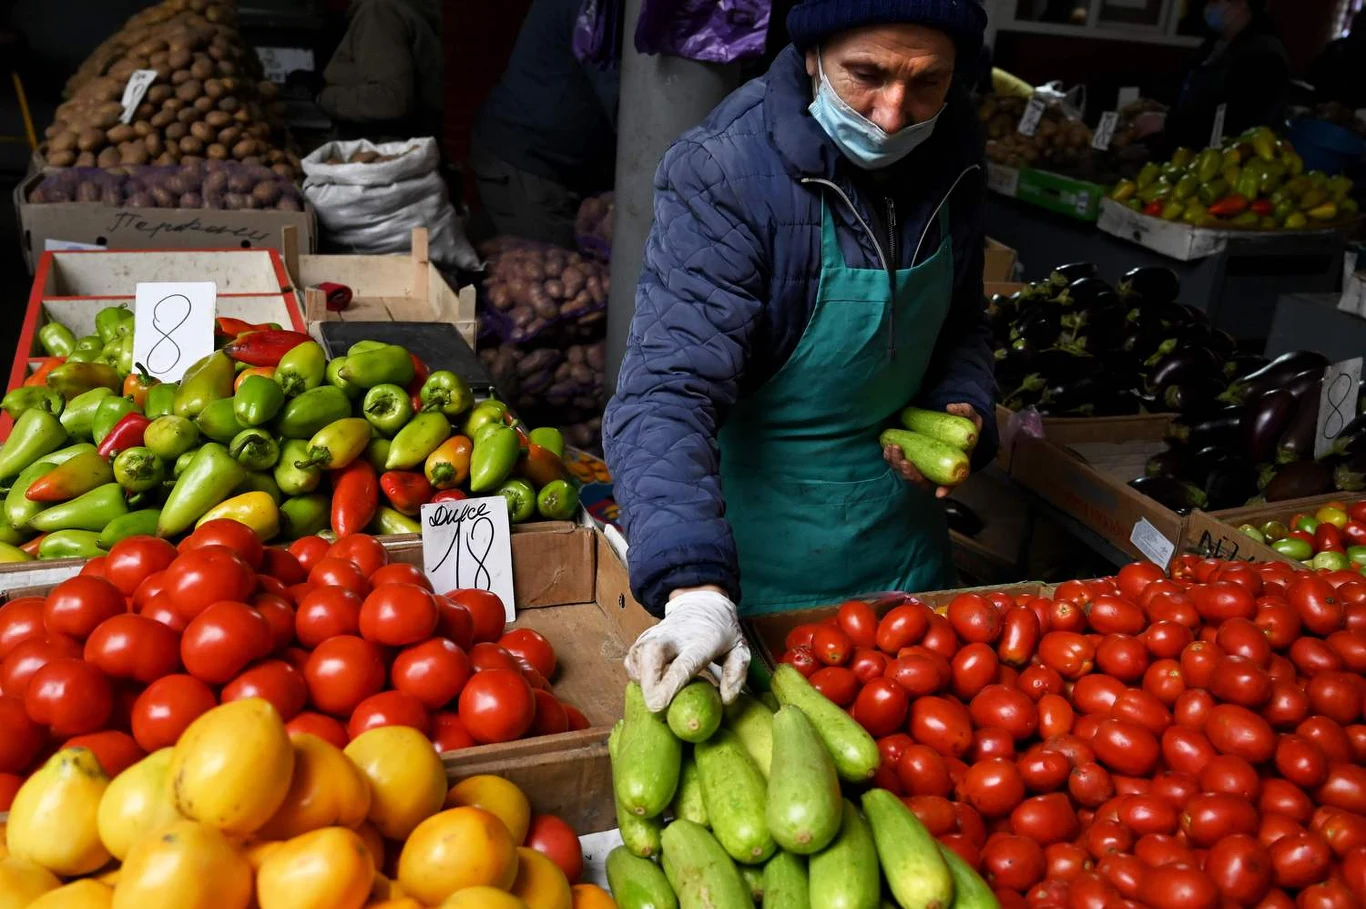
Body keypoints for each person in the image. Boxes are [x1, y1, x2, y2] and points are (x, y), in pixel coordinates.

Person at [603, 0, 998, 711]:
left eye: (927, 82)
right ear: (813, 52)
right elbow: (665, 393)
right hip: (754, 571)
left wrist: (963, 404)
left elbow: (962, 319)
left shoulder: (955, 146)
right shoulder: (724, 169)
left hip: (906, 561)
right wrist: (694, 588)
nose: (891, 113)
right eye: (865, 75)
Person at [469, 0, 620, 249]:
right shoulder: (594, 8)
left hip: (563, 167)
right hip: (529, 164)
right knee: (555, 273)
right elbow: (625, 104)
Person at [1166, 0, 1289, 151]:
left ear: (1242, 4)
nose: (1209, 6)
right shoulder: (1214, 44)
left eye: (1216, 1)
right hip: (1189, 152)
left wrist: (1168, 124)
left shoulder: (1264, 56)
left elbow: (1236, 123)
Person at [317, 0, 444, 141]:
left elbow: (390, 100)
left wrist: (324, 97)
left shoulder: (379, 10)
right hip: (401, 148)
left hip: (386, 150)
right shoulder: (398, 8)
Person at [1307, 10, 1366, 110]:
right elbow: (1313, 75)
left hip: (1322, 107)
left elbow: (1312, 76)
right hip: (1324, 109)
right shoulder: (1336, 47)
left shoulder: (1336, 46)